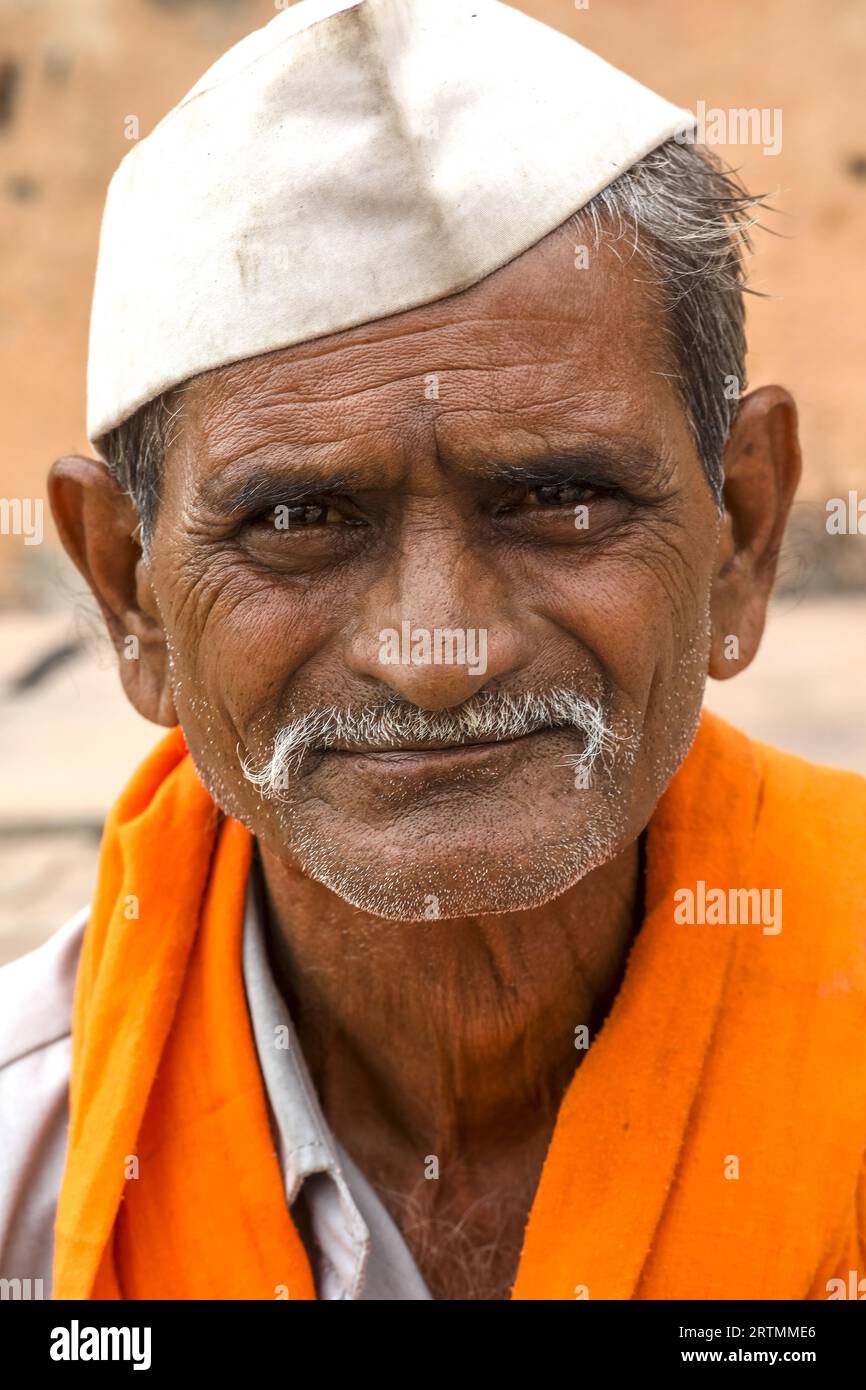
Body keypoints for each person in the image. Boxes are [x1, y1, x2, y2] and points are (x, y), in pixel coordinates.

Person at [1, 0, 864, 1302]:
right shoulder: (31, 1154)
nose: (433, 652)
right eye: (296, 520)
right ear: (131, 594)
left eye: (556, 500)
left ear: (741, 532)